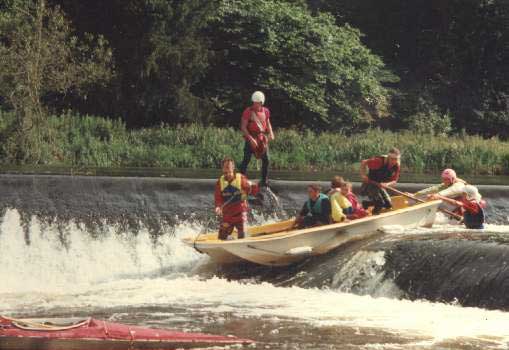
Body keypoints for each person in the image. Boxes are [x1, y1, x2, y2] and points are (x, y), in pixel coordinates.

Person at [214, 157, 259, 240]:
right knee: (221, 237)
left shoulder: (241, 179)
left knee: (242, 235)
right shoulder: (219, 183)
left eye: (229, 171)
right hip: (227, 215)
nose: (227, 174)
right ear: (222, 170)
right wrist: (218, 207)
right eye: (225, 171)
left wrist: (251, 186)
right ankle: (229, 241)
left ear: (233, 168)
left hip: (240, 214)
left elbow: (254, 191)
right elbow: (218, 198)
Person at [239, 91, 275, 187]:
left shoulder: (266, 111)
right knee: (246, 159)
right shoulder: (248, 111)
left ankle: (264, 181)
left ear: (261, 102)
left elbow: (268, 123)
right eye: (254, 102)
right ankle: (241, 180)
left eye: (257, 102)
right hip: (250, 137)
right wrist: (251, 139)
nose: (255, 104)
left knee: (266, 159)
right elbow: (243, 127)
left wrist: (271, 132)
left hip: (261, 139)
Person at [414, 168, 484, 212]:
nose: (444, 181)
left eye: (447, 179)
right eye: (443, 179)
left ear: (453, 179)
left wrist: (438, 195)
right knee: (437, 199)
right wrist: (416, 194)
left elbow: (448, 192)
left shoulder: (458, 186)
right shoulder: (446, 183)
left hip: (474, 204)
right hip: (462, 204)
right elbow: (433, 188)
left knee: (437, 199)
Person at [360, 148, 401, 214]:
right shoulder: (379, 161)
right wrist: (363, 175)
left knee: (389, 204)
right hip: (370, 184)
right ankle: (374, 217)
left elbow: (394, 181)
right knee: (380, 203)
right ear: (388, 157)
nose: (393, 161)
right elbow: (364, 162)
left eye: (395, 159)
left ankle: (366, 204)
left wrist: (387, 184)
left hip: (380, 185)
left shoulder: (397, 166)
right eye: (392, 159)